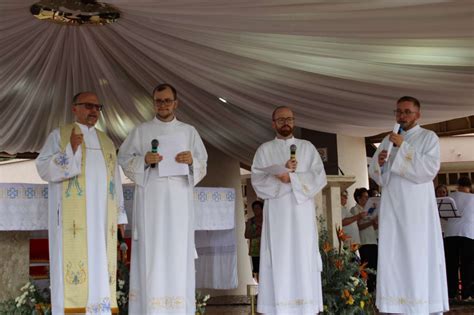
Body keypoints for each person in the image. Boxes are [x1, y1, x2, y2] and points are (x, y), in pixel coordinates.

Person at [118, 83, 208, 315]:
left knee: (178, 251)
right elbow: (124, 158)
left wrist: (191, 162)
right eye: (159, 101)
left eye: (168, 100)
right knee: (153, 249)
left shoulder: (189, 132)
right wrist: (145, 160)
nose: (163, 105)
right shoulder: (141, 131)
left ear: (176, 103)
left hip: (179, 202)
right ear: (154, 103)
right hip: (152, 202)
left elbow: (202, 164)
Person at [36, 92, 127, 314]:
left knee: (101, 265)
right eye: (88, 105)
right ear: (74, 108)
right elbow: (43, 167)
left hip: (102, 219)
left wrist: (120, 215)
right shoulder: (60, 135)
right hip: (73, 223)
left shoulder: (106, 141)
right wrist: (71, 150)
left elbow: (115, 181)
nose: (94, 110)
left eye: (98, 107)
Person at [369, 96, 449, 314]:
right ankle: (395, 304)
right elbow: (375, 173)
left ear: (418, 115)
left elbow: (429, 170)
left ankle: (421, 304)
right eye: (398, 112)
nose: (402, 116)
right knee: (394, 252)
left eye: (407, 112)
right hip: (393, 205)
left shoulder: (428, 137)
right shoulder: (387, 139)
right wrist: (381, 164)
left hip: (417, 208)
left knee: (417, 252)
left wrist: (403, 147)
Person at [251, 106, 327, 314]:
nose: (286, 122)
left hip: (301, 213)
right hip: (277, 214)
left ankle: (306, 306)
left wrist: (290, 178)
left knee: (302, 255)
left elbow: (319, 177)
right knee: (279, 256)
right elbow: (257, 182)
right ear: (273, 123)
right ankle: (279, 307)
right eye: (281, 119)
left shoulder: (307, 147)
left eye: (290, 119)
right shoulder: (264, 150)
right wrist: (279, 176)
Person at [444, 177, 474, 301]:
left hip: (451, 233)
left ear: (458, 185)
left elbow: (445, 216)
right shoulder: (473, 197)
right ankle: (467, 294)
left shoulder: (451, 197)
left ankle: (451, 294)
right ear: (470, 185)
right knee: (468, 265)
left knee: (451, 264)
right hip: (469, 233)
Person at [350, 188, 377, 292]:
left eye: (367, 197)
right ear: (358, 198)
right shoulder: (355, 210)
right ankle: (367, 291)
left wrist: (375, 222)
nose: (367, 199)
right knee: (366, 268)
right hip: (364, 242)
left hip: (373, 240)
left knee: (374, 268)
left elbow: (372, 227)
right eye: (365, 197)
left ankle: (374, 290)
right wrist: (371, 222)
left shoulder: (369, 210)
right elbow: (358, 226)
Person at [245, 200, 264, 281]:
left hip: (265, 248)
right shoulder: (250, 221)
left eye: (258, 208)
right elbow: (246, 235)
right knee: (258, 270)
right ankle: (260, 291)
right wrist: (257, 234)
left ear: (262, 209)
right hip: (255, 250)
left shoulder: (266, 219)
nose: (256, 210)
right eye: (254, 208)